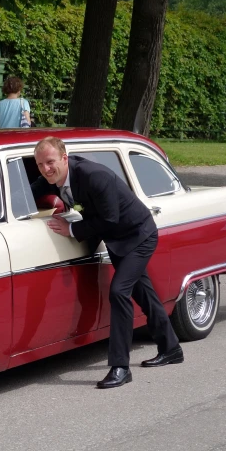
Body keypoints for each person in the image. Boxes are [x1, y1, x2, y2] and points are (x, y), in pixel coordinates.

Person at [31, 136, 182, 389]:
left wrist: (71, 229)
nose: (46, 169)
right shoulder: (54, 178)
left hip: (138, 235)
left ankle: (121, 367)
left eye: (50, 162)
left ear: (64, 158)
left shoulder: (93, 176)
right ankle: (171, 348)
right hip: (117, 239)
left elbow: (110, 219)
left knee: (118, 292)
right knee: (143, 293)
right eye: (40, 164)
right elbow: (30, 191)